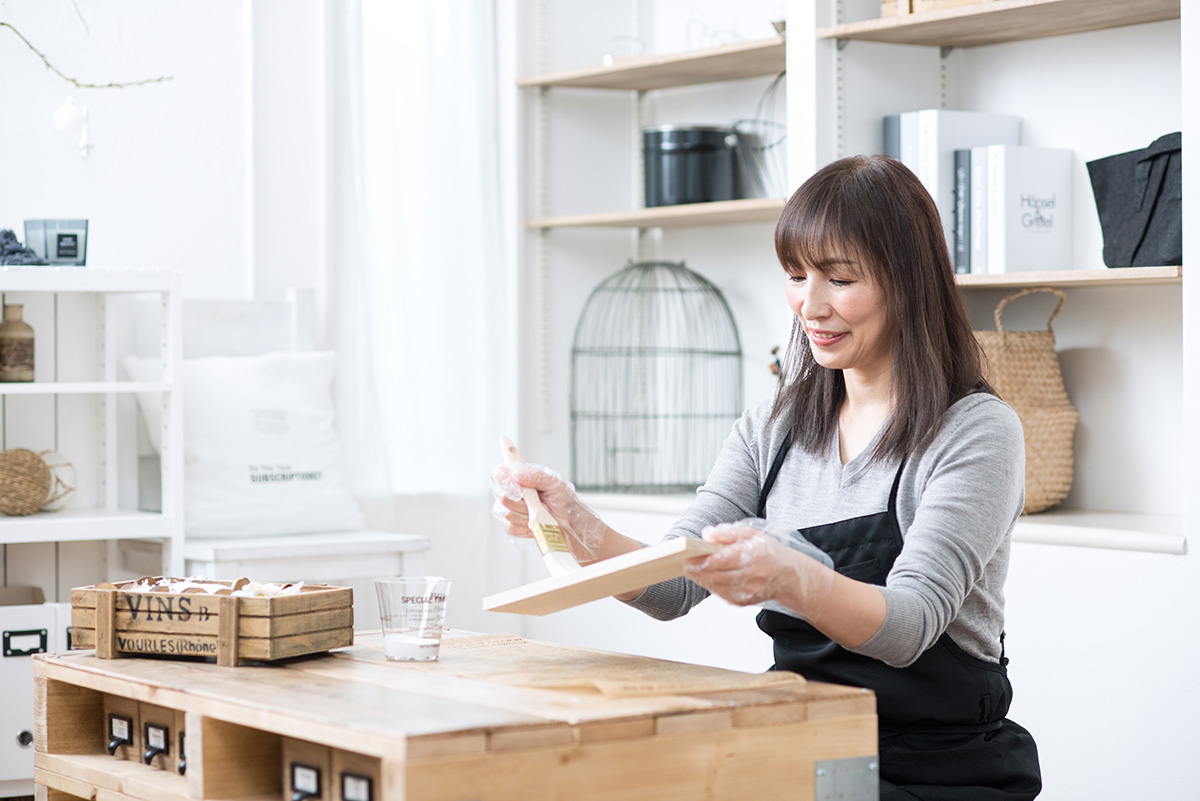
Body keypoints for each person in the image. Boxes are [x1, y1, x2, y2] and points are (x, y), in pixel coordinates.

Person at [492, 155, 1042, 800]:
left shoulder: (975, 431)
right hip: (802, 742)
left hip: (936, 767)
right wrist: (577, 528)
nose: (810, 305)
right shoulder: (773, 426)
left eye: (839, 279)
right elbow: (671, 586)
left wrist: (793, 577)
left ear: (909, 282)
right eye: (796, 275)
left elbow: (910, 625)